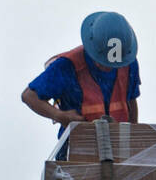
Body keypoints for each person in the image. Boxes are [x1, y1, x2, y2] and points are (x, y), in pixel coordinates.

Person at [21, 12, 141, 142]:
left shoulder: (128, 63)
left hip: (118, 145)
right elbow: (29, 96)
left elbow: (131, 101)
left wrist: (133, 139)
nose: (108, 68)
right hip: (76, 147)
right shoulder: (67, 66)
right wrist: (59, 115)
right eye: (103, 62)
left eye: (114, 64)